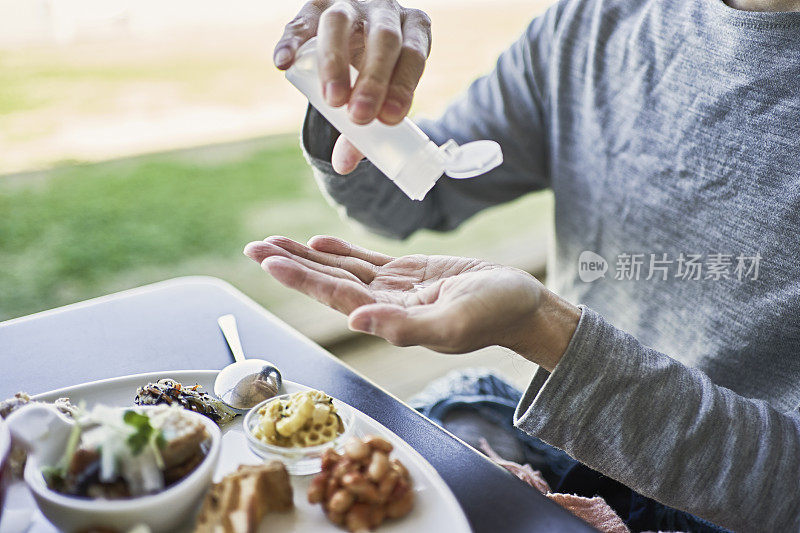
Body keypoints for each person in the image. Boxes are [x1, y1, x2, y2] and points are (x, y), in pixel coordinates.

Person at [244, 0, 800, 530]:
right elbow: (415, 194)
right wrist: (346, 99)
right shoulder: (597, 23)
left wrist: (546, 331)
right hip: (571, 446)